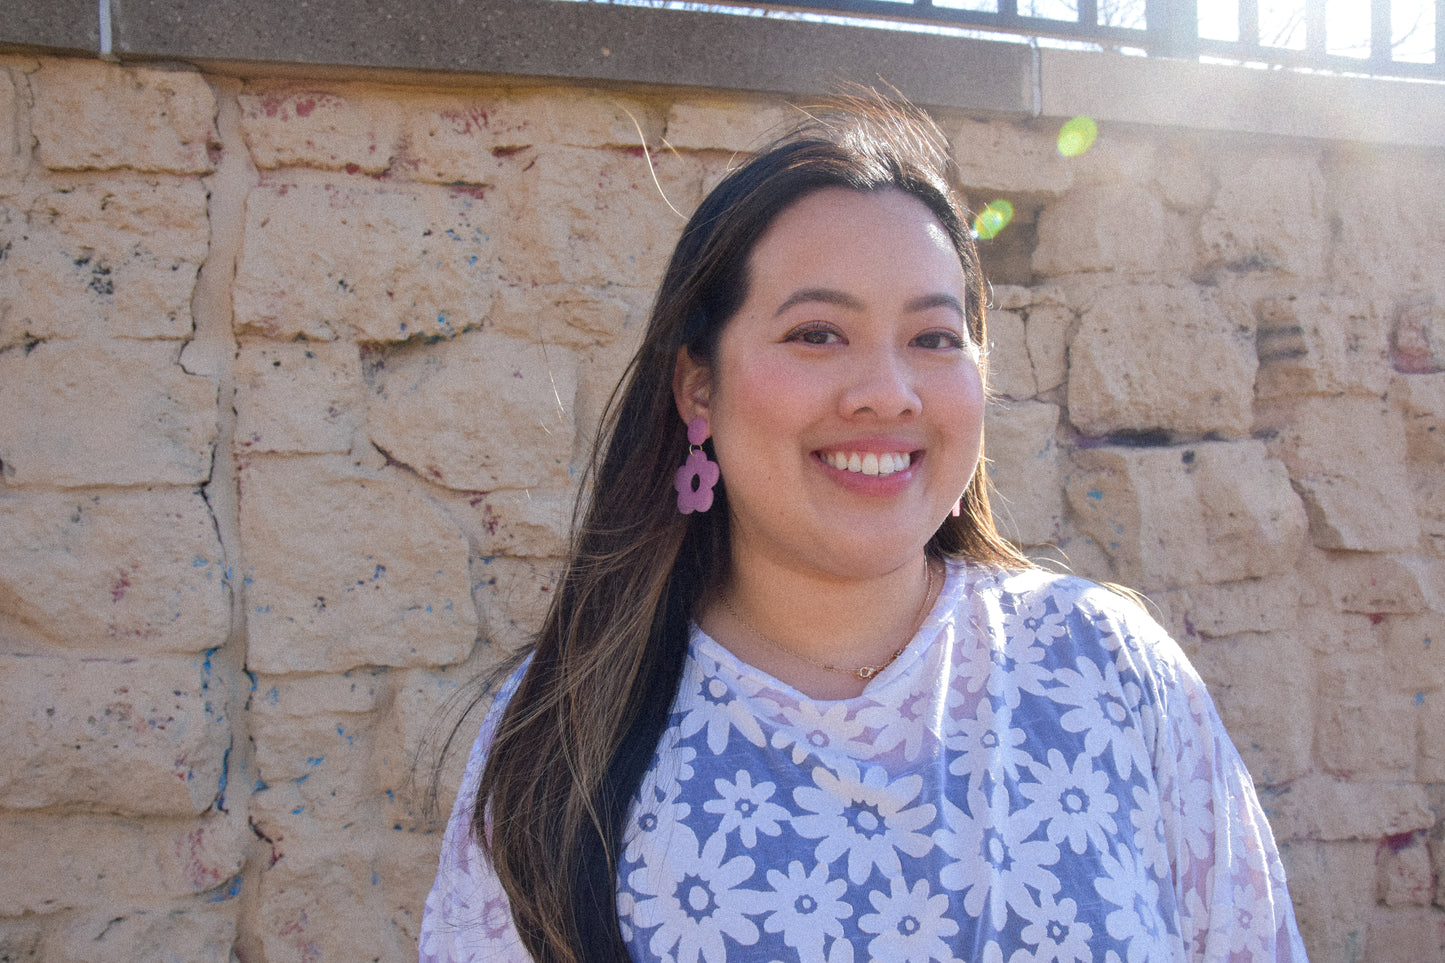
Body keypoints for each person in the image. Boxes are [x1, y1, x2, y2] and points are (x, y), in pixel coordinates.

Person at [420, 93, 1308, 963]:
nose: (888, 390)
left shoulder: (1109, 672)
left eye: (932, 337)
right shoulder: (569, 733)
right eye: (817, 333)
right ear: (698, 387)